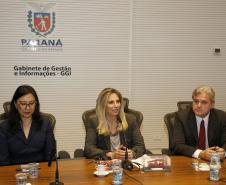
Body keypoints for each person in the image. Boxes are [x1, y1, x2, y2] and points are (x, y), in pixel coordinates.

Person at [0, 85, 56, 165]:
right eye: (23, 104)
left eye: (31, 103)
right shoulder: (4, 127)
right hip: (15, 173)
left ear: (36, 104)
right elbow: (3, 161)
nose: (28, 108)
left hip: (40, 171)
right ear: (15, 104)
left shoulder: (45, 124)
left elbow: (50, 157)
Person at [84, 88, 146, 160]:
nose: (116, 105)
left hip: (125, 164)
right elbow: (88, 149)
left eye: (118, 101)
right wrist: (111, 154)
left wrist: (131, 153)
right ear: (103, 105)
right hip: (105, 165)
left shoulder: (130, 120)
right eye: (111, 102)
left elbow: (141, 146)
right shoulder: (94, 121)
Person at [173, 85, 226, 161]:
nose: (198, 105)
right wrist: (201, 154)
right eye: (196, 101)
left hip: (214, 162)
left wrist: (223, 152)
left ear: (212, 104)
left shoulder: (222, 117)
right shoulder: (181, 117)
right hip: (190, 161)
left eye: (204, 102)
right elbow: (177, 145)